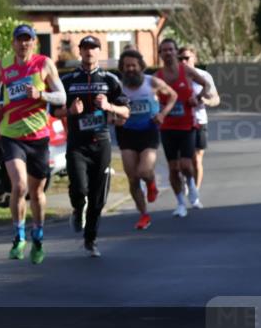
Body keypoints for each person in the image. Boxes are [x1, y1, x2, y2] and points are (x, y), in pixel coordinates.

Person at [0, 24, 66, 265]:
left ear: (34, 43)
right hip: (11, 134)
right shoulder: (5, 63)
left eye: (28, 40)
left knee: (36, 192)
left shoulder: (44, 64)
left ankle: (38, 236)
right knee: (19, 185)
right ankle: (18, 236)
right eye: (20, 40)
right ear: (13, 42)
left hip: (38, 137)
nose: (24, 44)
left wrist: (41, 95)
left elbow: (61, 96)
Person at [53, 36, 130, 257]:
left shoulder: (110, 80)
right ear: (80, 51)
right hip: (77, 143)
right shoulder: (67, 80)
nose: (89, 52)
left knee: (98, 197)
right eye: (85, 48)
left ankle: (91, 239)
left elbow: (126, 111)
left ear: (99, 51)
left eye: (93, 48)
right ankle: (77, 209)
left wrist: (109, 106)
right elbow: (53, 111)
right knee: (80, 188)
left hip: (102, 143)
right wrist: (70, 112)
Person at [114, 49, 177, 231]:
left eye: (134, 65)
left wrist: (163, 114)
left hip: (148, 131)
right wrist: (113, 117)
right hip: (126, 133)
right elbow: (109, 107)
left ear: (141, 66)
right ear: (122, 68)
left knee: (144, 170)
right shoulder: (117, 87)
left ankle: (151, 183)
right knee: (132, 178)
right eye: (126, 66)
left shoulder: (153, 82)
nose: (130, 69)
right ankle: (144, 215)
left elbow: (173, 95)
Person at [154, 38, 215, 217]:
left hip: (188, 124)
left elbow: (206, 85)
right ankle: (180, 202)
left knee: (187, 165)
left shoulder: (186, 71)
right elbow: (151, 99)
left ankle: (191, 184)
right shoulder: (157, 77)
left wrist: (198, 98)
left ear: (175, 52)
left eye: (171, 49)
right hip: (167, 127)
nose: (168, 53)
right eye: (164, 50)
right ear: (161, 54)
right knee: (173, 167)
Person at [178, 46, 220, 204]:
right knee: (182, 161)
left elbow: (216, 99)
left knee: (196, 160)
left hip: (199, 121)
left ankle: (194, 193)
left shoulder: (204, 76)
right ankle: (185, 184)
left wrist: (203, 100)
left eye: (186, 58)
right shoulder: (173, 76)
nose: (183, 61)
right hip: (179, 123)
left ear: (194, 58)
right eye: (180, 58)